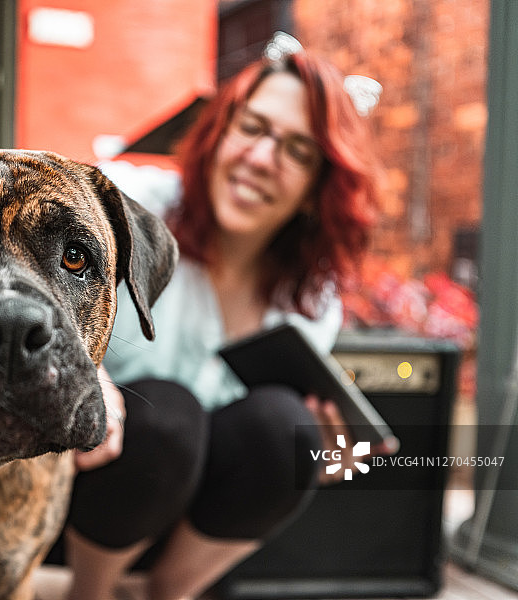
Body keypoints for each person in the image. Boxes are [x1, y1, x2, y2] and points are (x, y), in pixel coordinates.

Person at [59, 34, 383, 600]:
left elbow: (263, 446)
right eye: (252, 128)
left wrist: (322, 453)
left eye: (298, 151)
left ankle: (170, 594)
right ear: (221, 131)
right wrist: (79, 368)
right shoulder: (129, 204)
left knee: (290, 429)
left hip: (193, 535)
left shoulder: (313, 294)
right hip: (79, 506)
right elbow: (20, 279)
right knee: (166, 414)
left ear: (317, 188)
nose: (260, 159)